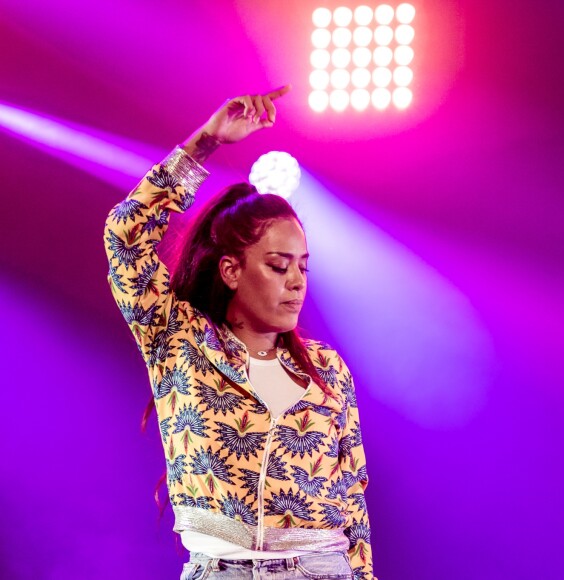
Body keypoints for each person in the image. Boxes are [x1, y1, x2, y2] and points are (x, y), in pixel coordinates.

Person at [104, 86, 375, 579]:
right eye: (277, 265)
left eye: (303, 267)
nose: (296, 281)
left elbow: (353, 500)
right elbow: (125, 237)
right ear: (231, 271)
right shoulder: (179, 340)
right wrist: (205, 142)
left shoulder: (327, 369)